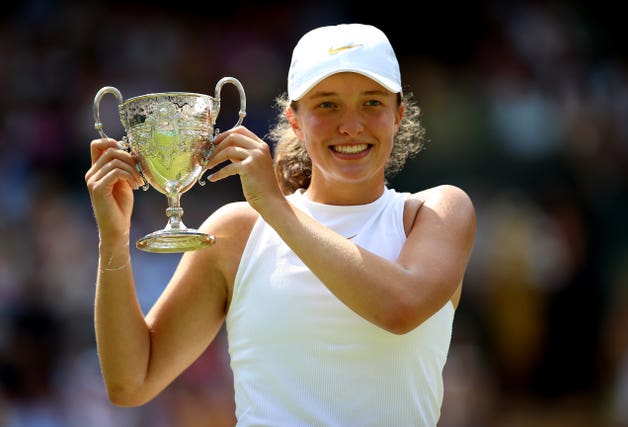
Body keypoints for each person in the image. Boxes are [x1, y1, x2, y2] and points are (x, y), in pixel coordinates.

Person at [85, 23, 476, 426]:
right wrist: (113, 239)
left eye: (372, 103)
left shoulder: (437, 211)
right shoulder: (237, 231)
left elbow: (400, 309)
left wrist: (274, 206)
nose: (351, 125)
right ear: (295, 120)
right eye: (326, 105)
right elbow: (131, 382)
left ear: (398, 116)